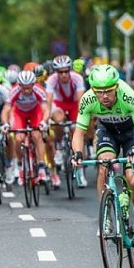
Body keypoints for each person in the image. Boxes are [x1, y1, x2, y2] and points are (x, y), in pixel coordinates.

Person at [71, 64, 134, 253]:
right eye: (99, 92)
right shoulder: (88, 99)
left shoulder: (129, 96)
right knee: (103, 165)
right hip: (107, 131)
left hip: (132, 134)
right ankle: (106, 217)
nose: (104, 96)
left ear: (116, 87)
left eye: (108, 91)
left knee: (133, 179)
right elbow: (79, 133)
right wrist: (77, 153)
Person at [1, 70, 51, 186]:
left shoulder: (39, 90)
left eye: (29, 88)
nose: (27, 91)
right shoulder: (14, 91)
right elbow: (6, 110)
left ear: (33, 85)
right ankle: (20, 165)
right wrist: (5, 123)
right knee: (18, 138)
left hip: (35, 113)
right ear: (19, 85)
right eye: (24, 88)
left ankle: (41, 167)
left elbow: (45, 109)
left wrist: (44, 121)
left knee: (36, 135)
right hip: (19, 114)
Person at [46, 55, 86, 186]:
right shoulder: (51, 80)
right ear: (56, 72)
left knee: (77, 131)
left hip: (74, 104)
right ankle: (59, 146)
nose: (63, 75)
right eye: (60, 72)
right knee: (58, 119)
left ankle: (80, 172)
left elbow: (81, 100)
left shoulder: (77, 78)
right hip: (59, 104)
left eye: (66, 71)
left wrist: (80, 120)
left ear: (70, 70)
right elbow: (49, 102)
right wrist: (46, 118)